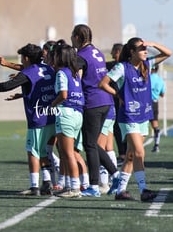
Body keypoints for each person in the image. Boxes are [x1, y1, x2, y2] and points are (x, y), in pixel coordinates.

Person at [99, 37, 171, 201]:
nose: (145, 51)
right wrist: (118, 95)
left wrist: (152, 44)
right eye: (141, 49)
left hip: (144, 116)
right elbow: (103, 83)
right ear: (132, 52)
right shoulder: (122, 67)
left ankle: (120, 191)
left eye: (146, 49)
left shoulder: (147, 64)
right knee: (139, 152)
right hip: (129, 117)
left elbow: (168, 52)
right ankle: (144, 189)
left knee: (131, 155)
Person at [0, 43, 56, 196]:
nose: (22, 61)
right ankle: (47, 183)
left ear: (26, 58)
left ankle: (34, 187)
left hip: (38, 119)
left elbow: (7, 86)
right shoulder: (49, 69)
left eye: (22, 58)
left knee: (33, 151)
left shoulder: (28, 72)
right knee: (44, 152)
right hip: (52, 116)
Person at [71, 24, 119, 197]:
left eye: (72, 36)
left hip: (93, 102)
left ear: (77, 37)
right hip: (106, 101)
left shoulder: (81, 56)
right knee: (92, 143)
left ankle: (93, 186)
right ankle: (116, 175)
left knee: (89, 145)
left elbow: (77, 78)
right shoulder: (97, 52)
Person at [50, 40, 88, 198]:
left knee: (67, 153)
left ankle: (74, 188)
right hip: (78, 113)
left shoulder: (61, 73)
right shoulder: (74, 73)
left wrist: (53, 104)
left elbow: (63, 95)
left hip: (66, 113)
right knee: (71, 152)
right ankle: (74, 185)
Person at [106, 43, 125, 164]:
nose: (112, 53)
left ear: (118, 52)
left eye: (113, 51)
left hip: (119, 101)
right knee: (116, 129)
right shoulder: (111, 65)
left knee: (119, 128)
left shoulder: (120, 66)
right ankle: (123, 153)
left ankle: (124, 153)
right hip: (115, 101)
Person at [150, 64, 166, 152]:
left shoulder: (147, 78)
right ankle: (156, 145)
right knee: (155, 125)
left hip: (147, 103)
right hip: (155, 103)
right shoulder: (160, 80)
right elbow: (162, 94)